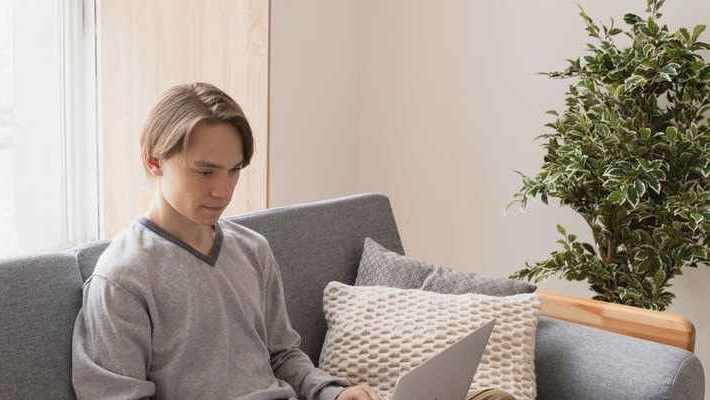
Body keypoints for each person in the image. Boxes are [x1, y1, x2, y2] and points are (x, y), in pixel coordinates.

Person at [71, 82, 515, 400]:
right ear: (153, 162)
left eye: (234, 171)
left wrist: (332, 393)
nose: (223, 191)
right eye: (205, 171)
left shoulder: (251, 250)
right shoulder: (123, 279)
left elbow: (283, 356)